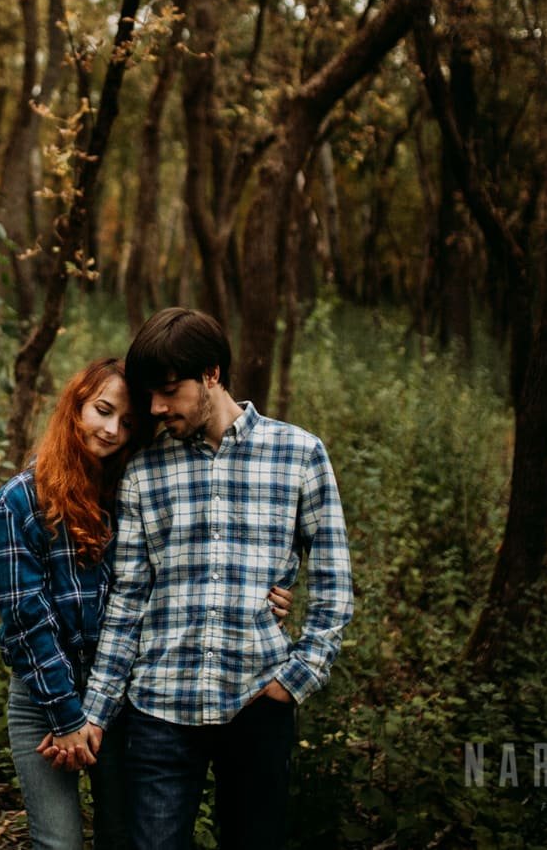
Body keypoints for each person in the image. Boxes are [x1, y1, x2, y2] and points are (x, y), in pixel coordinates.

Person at [73, 309, 354, 850]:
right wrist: (98, 709)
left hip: (257, 702)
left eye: (168, 391)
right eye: (149, 395)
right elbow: (128, 599)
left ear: (212, 375)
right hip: (159, 708)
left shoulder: (299, 455)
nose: (155, 408)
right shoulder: (144, 470)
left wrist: (297, 677)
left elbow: (335, 579)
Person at [0, 357, 292, 849]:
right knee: (58, 842)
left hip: (118, 693)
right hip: (44, 698)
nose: (111, 430)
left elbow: (171, 578)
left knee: (122, 836)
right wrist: (67, 720)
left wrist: (259, 595)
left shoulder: (132, 488)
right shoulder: (17, 502)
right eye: (102, 411)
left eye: (128, 423)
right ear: (75, 406)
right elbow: (26, 622)